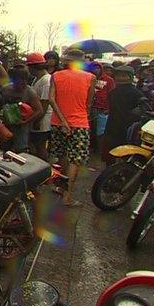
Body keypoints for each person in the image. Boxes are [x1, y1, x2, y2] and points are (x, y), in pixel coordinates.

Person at [49, 49, 96, 207]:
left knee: (61, 156)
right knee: (75, 161)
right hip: (80, 123)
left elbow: (51, 100)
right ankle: (67, 196)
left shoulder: (56, 76)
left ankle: (60, 188)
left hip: (57, 123)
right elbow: (89, 104)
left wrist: (63, 121)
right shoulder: (91, 78)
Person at [104, 65, 149, 161]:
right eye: (118, 75)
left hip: (127, 127)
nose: (120, 78)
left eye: (124, 75)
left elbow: (144, 107)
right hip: (114, 125)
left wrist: (133, 115)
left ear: (130, 77)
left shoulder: (135, 93)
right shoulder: (113, 92)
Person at [0, 64, 44, 154]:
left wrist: (26, 122)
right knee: (6, 150)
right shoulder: (6, 90)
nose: (21, 86)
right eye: (18, 82)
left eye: (24, 83)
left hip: (22, 128)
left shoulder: (30, 92)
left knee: (21, 152)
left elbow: (39, 111)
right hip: (7, 126)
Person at [26, 52, 53, 161]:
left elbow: (44, 104)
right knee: (35, 146)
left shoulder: (46, 81)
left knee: (41, 148)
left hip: (43, 120)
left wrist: (37, 121)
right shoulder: (36, 79)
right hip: (37, 118)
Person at [90, 62, 116, 153]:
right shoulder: (88, 78)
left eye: (98, 68)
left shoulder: (109, 80)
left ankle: (101, 150)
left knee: (101, 132)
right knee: (90, 130)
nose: (96, 70)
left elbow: (112, 95)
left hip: (102, 109)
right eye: (94, 68)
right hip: (90, 108)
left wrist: (109, 108)